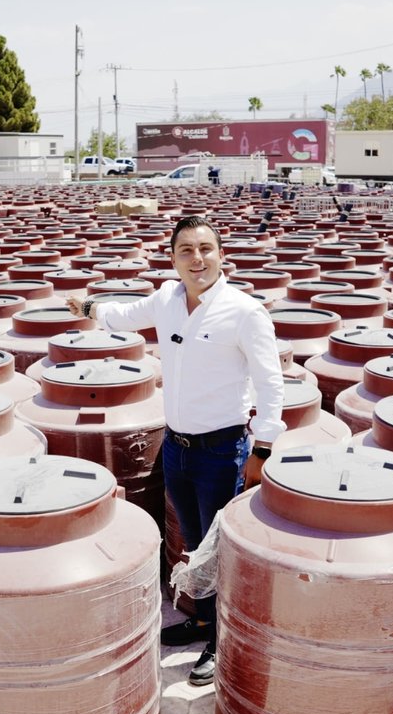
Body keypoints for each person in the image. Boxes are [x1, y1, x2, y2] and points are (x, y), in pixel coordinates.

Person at [66, 214, 286, 686]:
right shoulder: (166, 299)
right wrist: (88, 308)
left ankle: (221, 639)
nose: (197, 259)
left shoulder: (244, 311)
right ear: (172, 259)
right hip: (177, 447)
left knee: (218, 549)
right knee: (192, 543)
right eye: (186, 250)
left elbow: (271, 386)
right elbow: (122, 316)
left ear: (221, 255)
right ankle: (203, 621)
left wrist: (262, 451)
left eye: (206, 248)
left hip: (221, 451)